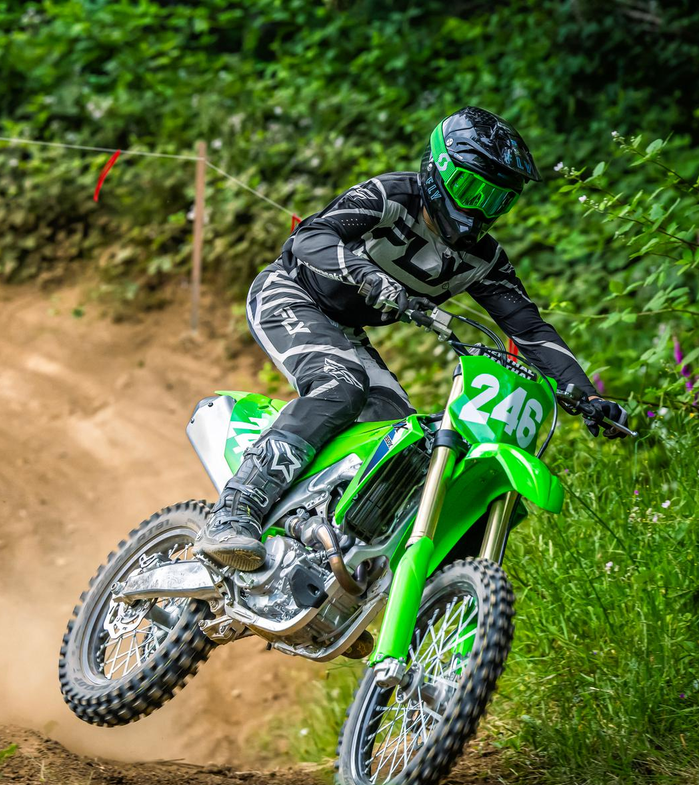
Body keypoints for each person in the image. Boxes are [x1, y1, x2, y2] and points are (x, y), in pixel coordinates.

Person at [195, 106, 628, 571]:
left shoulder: (483, 260)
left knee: (403, 439)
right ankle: (235, 510)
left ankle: (332, 550)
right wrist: (367, 274)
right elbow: (309, 238)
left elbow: (530, 328)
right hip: (289, 292)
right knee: (341, 386)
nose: (479, 211)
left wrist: (586, 396)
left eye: (496, 201)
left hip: (345, 329)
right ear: (438, 171)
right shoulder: (390, 196)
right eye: (471, 191)